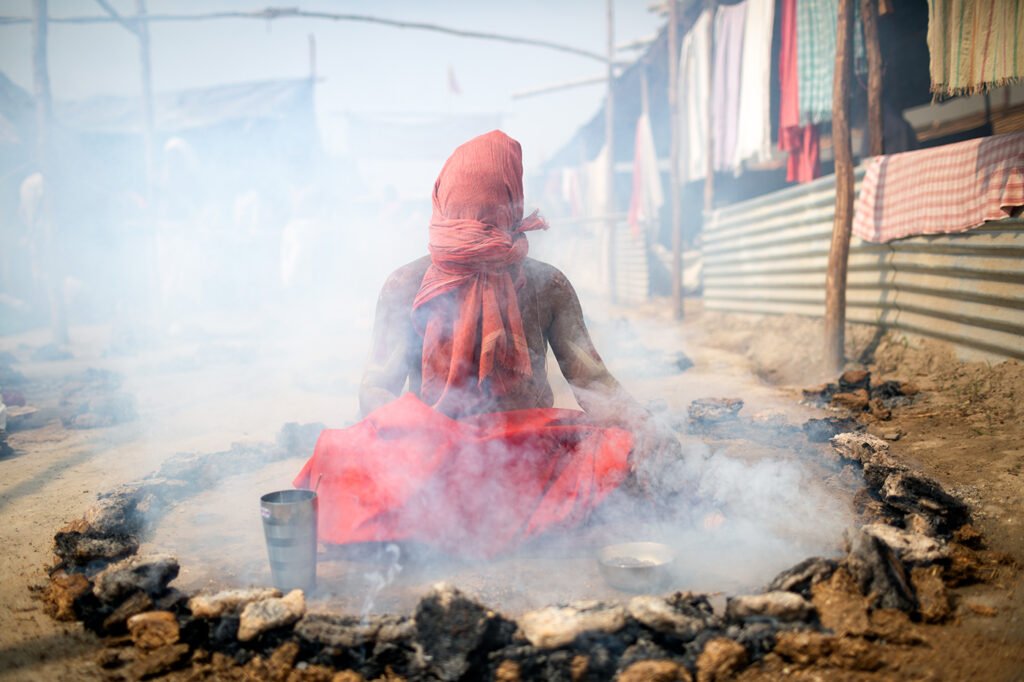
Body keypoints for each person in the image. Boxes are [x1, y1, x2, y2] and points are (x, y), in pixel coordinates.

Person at [295, 131, 681, 557]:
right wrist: (413, 447)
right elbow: (377, 389)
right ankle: (529, 525)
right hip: (428, 459)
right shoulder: (404, 285)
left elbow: (593, 383)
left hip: (524, 454)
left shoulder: (547, 285)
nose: (472, 229)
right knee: (340, 455)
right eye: (465, 217)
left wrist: (644, 428)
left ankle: (437, 530)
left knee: (617, 451)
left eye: (481, 217)